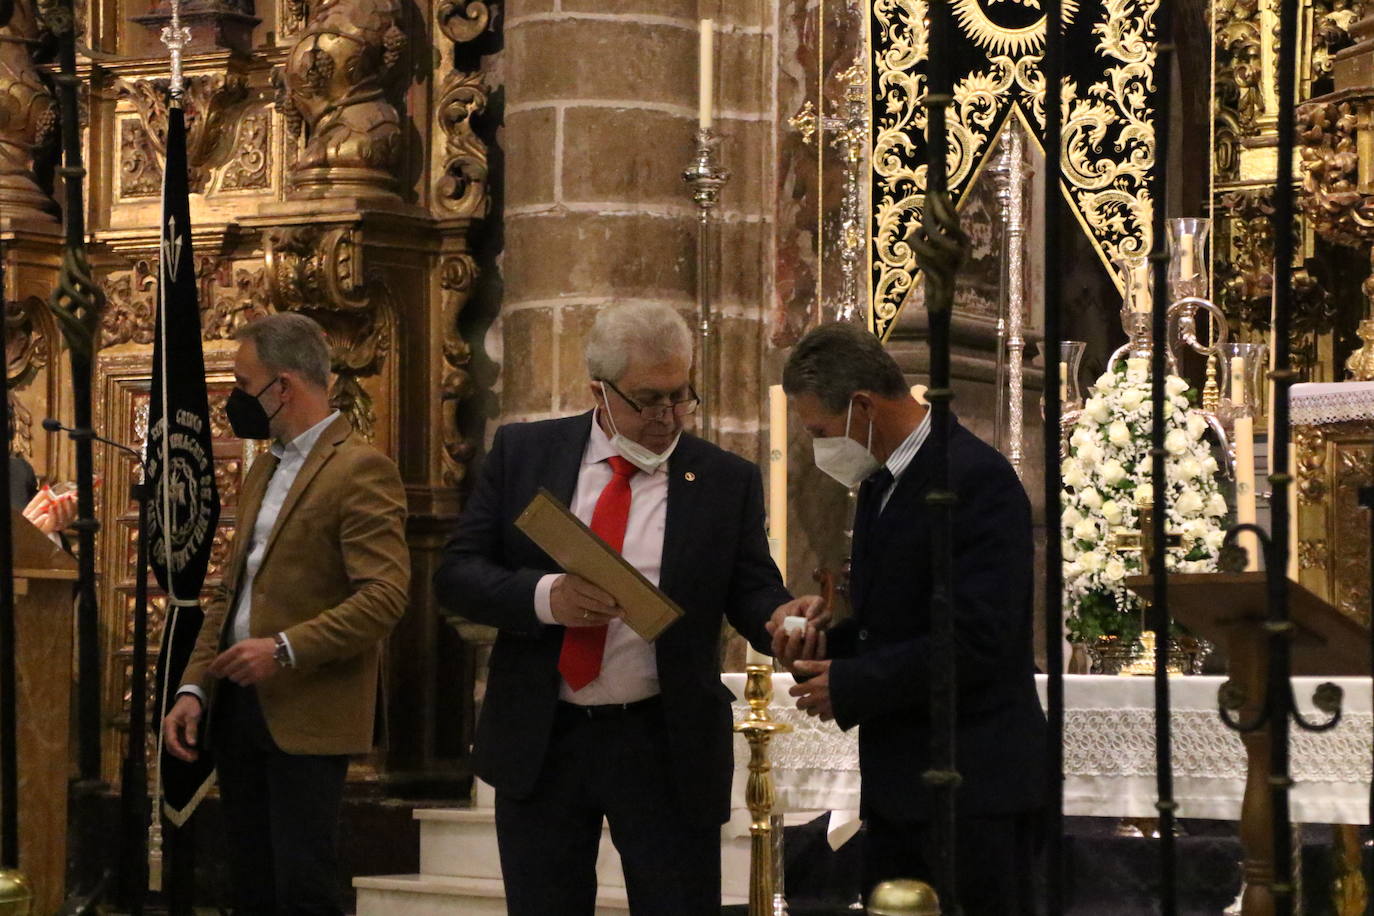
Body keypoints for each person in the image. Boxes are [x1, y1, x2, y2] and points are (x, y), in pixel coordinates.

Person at [434, 301, 822, 915]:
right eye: (649, 400)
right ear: (598, 391)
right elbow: (457, 575)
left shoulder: (723, 479)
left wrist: (781, 618)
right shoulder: (525, 454)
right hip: (545, 735)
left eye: (681, 396)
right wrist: (546, 598)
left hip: (661, 740)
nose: (668, 417)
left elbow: (751, 590)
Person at [780, 322, 1046, 915]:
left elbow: (980, 638)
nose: (819, 445)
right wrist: (825, 642)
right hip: (903, 782)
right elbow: (898, 623)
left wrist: (852, 684)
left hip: (972, 786)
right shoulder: (881, 485)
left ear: (862, 406)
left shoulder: (976, 480)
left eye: (819, 430)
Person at [161, 313, 410, 916]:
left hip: (307, 707)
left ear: (284, 387)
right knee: (250, 884)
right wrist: (194, 685)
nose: (235, 400)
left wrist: (284, 648)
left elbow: (384, 596)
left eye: (244, 386)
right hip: (238, 703)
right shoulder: (265, 466)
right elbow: (229, 591)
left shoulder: (360, 468)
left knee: (303, 889)